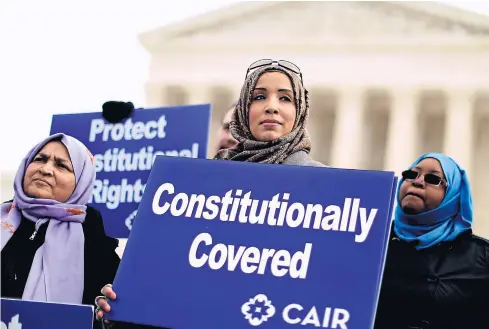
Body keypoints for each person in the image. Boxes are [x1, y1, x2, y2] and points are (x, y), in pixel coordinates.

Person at [95, 59, 327, 328]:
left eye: (285, 98)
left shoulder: (323, 189)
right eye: (259, 96)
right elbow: (170, 270)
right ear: (243, 110)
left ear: (300, 110)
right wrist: (124, 306)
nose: (271, 106)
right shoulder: (198, 183)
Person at [1, 133, 120, 329]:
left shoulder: (94, 241)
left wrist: (110, 313)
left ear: (81, 182)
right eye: (40, 159)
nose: (45, 169)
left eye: (61, 165)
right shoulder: (4, 220)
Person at [375, 152, 489, 329]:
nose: (418, 182)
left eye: (433, 179)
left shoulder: (482, 257)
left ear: (454, 194)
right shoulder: (372, 241)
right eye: (411, 174)